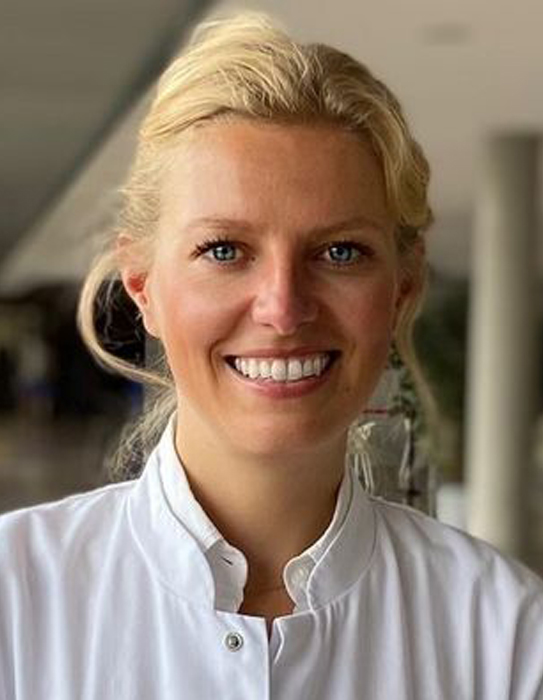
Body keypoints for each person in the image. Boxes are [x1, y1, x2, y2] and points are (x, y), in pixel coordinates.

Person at [1, 12, 542, 699]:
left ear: (401, 290)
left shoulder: (505, 637)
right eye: (224, 250)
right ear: (142, 287)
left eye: (339, 252)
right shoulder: (15, 599)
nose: (283, 308)